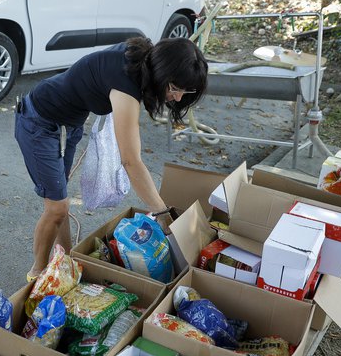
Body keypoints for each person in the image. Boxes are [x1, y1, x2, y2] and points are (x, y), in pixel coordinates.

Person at [16, 37, 209, 281]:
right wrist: (162, 214)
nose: (178, 98)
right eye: (175, 88)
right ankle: (38, 275)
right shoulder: (126, 86)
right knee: (57, 207)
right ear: (161, 71)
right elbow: (131, 161)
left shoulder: (142, 56)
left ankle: (64, 261)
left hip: (68, 124)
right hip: (38, 121)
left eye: (185, 91)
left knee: (59, 199)